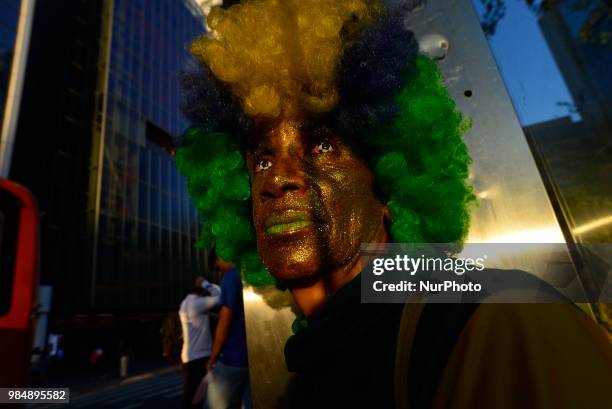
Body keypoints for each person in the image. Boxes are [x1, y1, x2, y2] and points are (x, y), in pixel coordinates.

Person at [177, 0, 612, 408]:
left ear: (387, 185)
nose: (278, 179)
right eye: (262, 158)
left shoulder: (502, 322)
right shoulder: (313, 362)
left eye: (322, 146)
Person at [206, 254, 251, 409]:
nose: (220, 272)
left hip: (234, 356)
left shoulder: (231, 276)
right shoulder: (247, 271)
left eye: (218, 267)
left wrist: (213, 356)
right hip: (251, 357)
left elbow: (225, 321)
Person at [179, 276, 221, 409]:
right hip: (198, 358)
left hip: (192, 357)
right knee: (197, 399)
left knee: (194, 398)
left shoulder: (186, 302)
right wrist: (207, 284)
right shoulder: (196, 304)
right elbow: (221, 295)